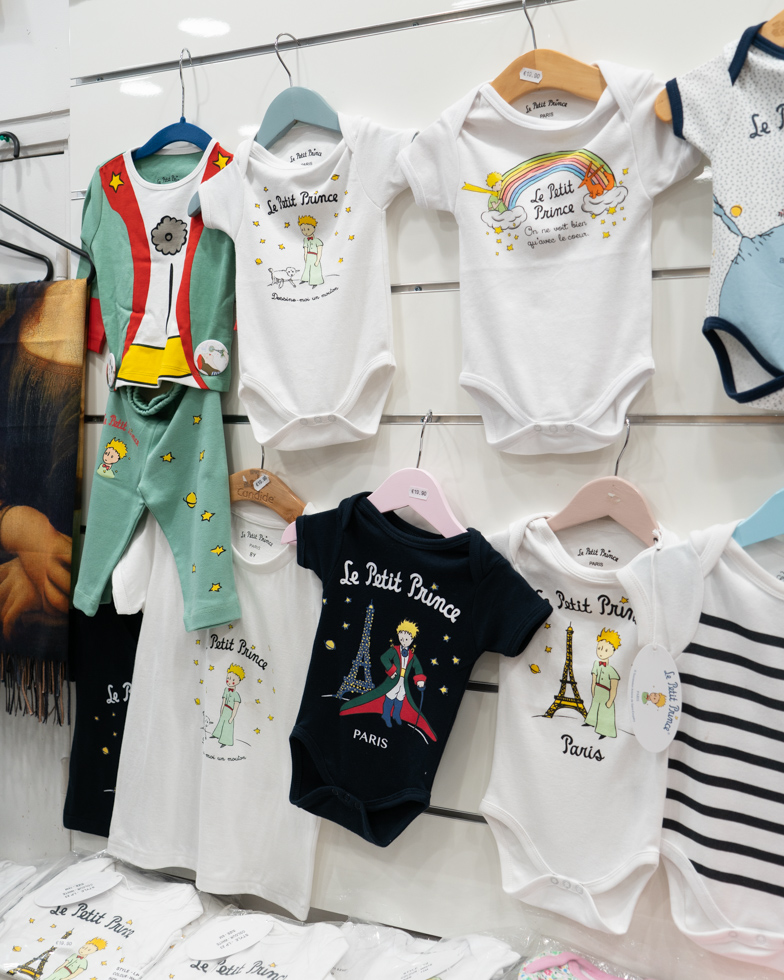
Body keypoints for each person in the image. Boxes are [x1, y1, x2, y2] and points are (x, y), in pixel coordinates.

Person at [340, 619, 436, 740]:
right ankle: (386, 715)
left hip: (403, 681)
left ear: (412, 639)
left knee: (401, 697)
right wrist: (391, 670)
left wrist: (420, 680)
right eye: (401, 638)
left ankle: (396, 715)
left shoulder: (412, 656)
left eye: (406, 639)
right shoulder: (394, 650)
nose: (403, 641)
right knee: (390, 696)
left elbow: (417, 668)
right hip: (393, 679)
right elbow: (384, 658)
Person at [584, 628, 621, 739]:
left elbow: (614, 688)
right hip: (597, 689)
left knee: (605, 711)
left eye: (605, 650)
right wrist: (593, 690)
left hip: (606, 693)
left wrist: (610, 700)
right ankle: (591, 721)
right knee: (594, 706)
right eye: (599, 648)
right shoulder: (596, 664)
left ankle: (605, 731)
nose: (601, 652)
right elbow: (594, 679)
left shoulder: (612, 671)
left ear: (612, 651)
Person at [41, 938, 106, 980]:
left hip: (67, 973)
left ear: (92, 952)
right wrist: (57, 969)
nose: (83, 950)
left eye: (88, 950)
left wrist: (66, 978)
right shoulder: (74, 955)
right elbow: (64, 964)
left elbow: (76, 973)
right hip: (61, 970)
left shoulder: (84, 962)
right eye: (83, 947)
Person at [211, 663, 244, 746]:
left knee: (227, 725)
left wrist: (232, 717)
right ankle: (217, 734)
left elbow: (236, 708)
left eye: (233, 680)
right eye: (228, 678)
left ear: (238, 681)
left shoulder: (236, 695)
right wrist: (221, 710)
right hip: (225, 709)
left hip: (230, 711)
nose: (230, 681)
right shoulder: (226, 690)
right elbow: (223, 701)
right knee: (221, 722)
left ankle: (225, 741)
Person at [298, 215, 324, 287]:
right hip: (308, 256)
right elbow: (305, 250)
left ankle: (315, 281)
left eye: (308, 229)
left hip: (315, 256)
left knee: (315, 268)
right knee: (307, 268)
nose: (305, 232)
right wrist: (305, 257)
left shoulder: (317, 241)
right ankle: (305, 279)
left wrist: (317, 260)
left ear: (314, 228)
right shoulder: (305, 240)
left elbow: (319, 251)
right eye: (303, 230)